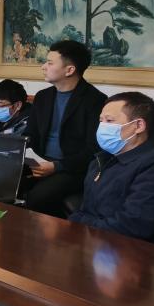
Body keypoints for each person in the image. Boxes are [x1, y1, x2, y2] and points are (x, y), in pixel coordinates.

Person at [23, 40, 107, 218]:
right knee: (0, 182)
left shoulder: (95, 100)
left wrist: (56, 166)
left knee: (37, 198)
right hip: (39, 162)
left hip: (72, 168)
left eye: (50, 63)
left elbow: (93, 149)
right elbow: (30, 134)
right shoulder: (43, 97)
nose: (43, 67)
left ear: (69, 70)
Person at [69, 92, 154, 242]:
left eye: (109, 121)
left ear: (138, 125)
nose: (102, 127)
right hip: (93, 239)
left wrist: (79, 221)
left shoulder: (151, 166)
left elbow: (132, 226)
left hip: (128, 249)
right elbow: (86, 210)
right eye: (101, 120)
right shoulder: (101, 159)